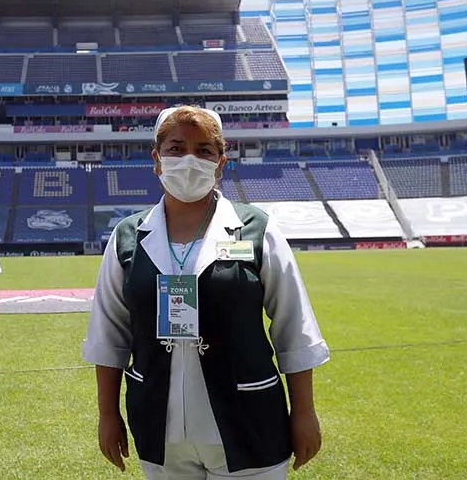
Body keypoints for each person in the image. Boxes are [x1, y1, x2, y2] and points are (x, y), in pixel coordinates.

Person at [83, 105, 329, 479]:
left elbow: (294, 327)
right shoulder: (128, 237)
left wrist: (305, 412)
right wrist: (106, 414)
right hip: (159, 430)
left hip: (249, 426)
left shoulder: (256, 229)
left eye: (204, 151)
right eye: (176, 148)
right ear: (156, 159)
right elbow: (108, 334)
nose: (189, 160)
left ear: (221, 163)